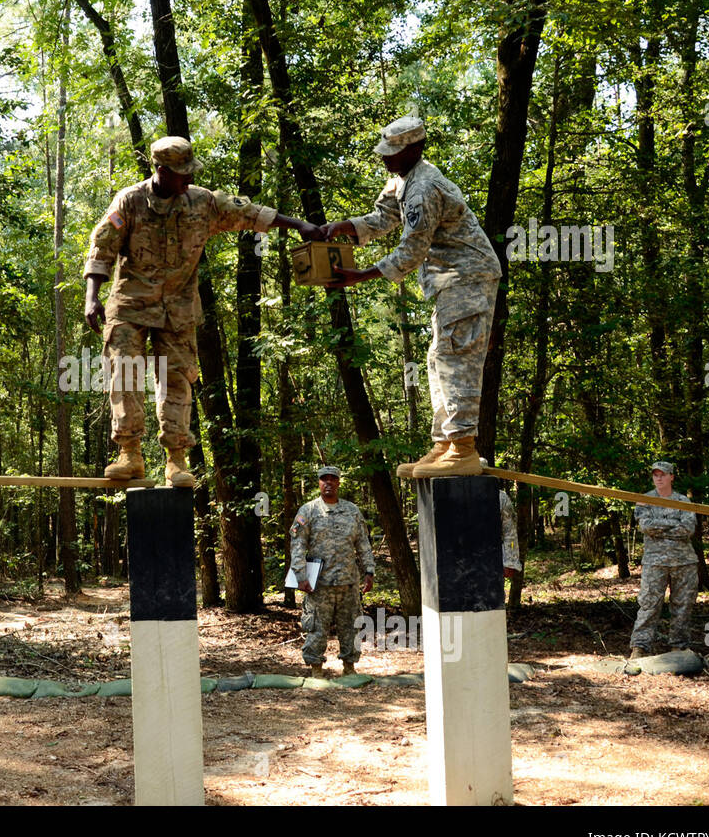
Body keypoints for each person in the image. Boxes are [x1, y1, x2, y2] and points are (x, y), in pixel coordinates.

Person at [84, 136, 322, 487]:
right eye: (181, 172)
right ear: (160, 170)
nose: (189, 178)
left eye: (190, 171)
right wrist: (92, 297)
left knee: (178, 379)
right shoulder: (130, 201)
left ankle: (176, 460)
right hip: (130, 305)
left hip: (178, 308)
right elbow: (102, 247)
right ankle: (129, 454)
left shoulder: (203, 202)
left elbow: (250, 213)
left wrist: (300, 225)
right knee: (124, 372)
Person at [321, 117, 502, 478]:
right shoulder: (402, 180)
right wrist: (346, 227)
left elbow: (411, 251)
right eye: (385, 151)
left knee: (456, 357)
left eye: (394, 152)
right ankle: (444, 444)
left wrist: (361, 275)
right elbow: (383, 217)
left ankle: (463, 447)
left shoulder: (424, 188)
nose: (385, 157)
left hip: (467, 278)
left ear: (415, 149)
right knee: (438, 358)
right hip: (449, 282)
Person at [290, 466, 375, 677]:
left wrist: (369, 570)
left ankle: (349, 667)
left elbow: (363, 543)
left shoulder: (352, 511)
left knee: (351, 627)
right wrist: (300, 575)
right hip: (319, 584)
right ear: (319, 483)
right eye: (324, 479)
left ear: (338, 482)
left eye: (332, 479)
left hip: (348, 582)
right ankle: (316, 670)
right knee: (317, 627)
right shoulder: (308, 511)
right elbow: (298, 545)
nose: (328, 482)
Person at [629, 462, 699, 660]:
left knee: (683, 605)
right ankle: (640, 647)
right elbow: (646, 527)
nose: (659, 478)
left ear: (671, 477)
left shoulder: (683, 501)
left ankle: (679, 647)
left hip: (684, 561)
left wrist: (659, 527)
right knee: (649, 604)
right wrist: (673, 524)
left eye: (663, 474)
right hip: (655, 561)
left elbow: (687, 529)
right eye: (655, 475)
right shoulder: (644, 500)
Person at [482, 457, 523, 581]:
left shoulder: (500, 497)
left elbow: (509, 532)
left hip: (492, 555)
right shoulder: (457, 494)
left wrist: (510, 562)